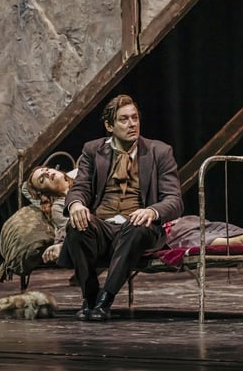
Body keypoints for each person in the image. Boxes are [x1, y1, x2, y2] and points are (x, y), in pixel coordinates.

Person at [63, 94, 184, 321]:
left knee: (137, 226)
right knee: (76, 226)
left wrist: (152, 211)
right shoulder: (93, 150)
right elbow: (80, 187)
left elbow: (174, 199)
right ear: (109, 126)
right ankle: (90, 296)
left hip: (137, 226)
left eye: (135, 118)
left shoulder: (159, 151)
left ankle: (105, 300)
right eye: (124, 119)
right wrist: (76, 204)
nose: (132, 124)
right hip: (103, 226)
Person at [164, 216, 243, 249]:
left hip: (180, 222)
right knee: (194, 238)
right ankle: (242, 239)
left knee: (218, 227)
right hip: (166, 234)